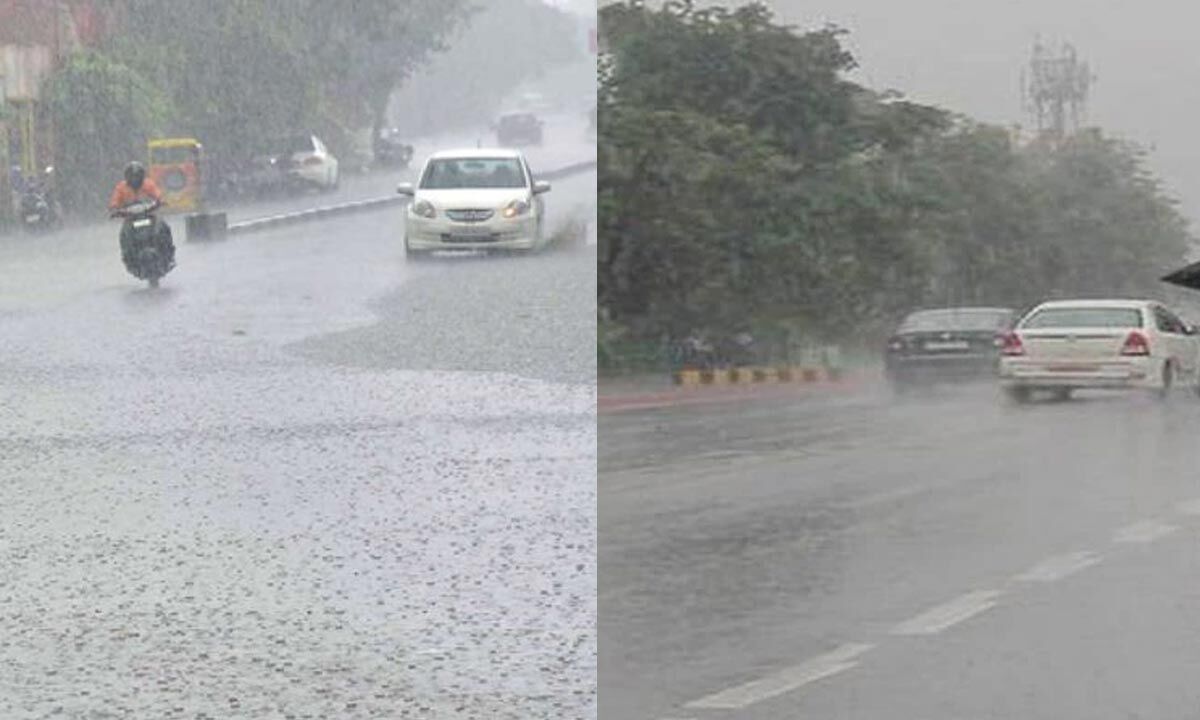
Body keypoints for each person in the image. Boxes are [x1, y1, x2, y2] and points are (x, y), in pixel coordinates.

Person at [108, 161, 175, 269]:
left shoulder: (148, 184)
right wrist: (115, 209)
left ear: (142, 176)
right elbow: (115, 200)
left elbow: (157, 193)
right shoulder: (121, 187)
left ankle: (169, 254)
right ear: (127, 177)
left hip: (149, 214)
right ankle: (128, 258)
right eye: (132, 176)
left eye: (137, 176)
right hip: (130, 217)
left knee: (164, 227)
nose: (135, 179)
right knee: (124, 234)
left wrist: (160, 201)